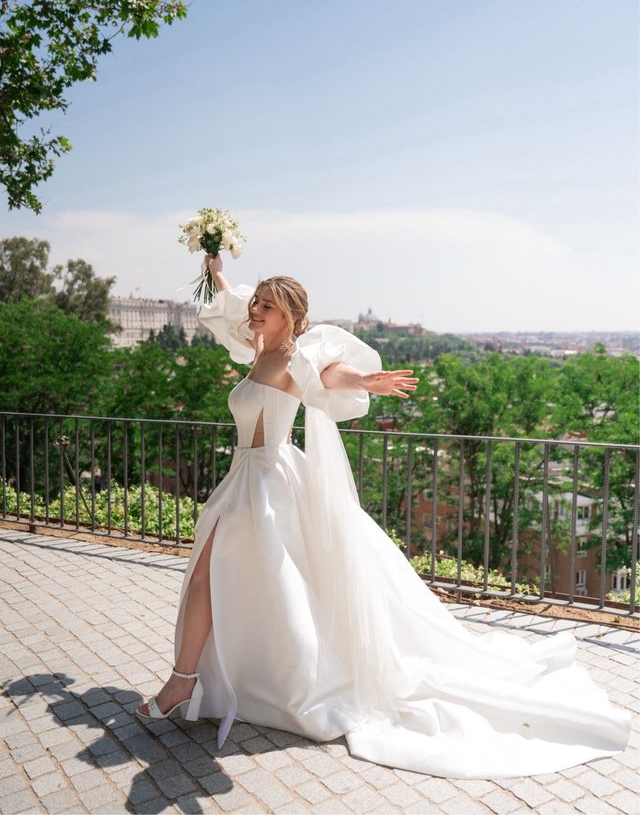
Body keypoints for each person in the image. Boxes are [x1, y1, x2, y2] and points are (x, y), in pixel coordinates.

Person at [136, 253, 630, 779]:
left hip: (268, 482)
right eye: (256, 302)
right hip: (245, 479)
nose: (254, 310)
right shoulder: (259, 344)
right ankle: (221, 677)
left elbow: (331, 373)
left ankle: (186, 681)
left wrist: (366, 383)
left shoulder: (296, 357)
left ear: (291, 318)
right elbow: (233, 306)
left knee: (213, 579)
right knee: (232, 581)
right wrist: (216, 270)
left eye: (266, 306)